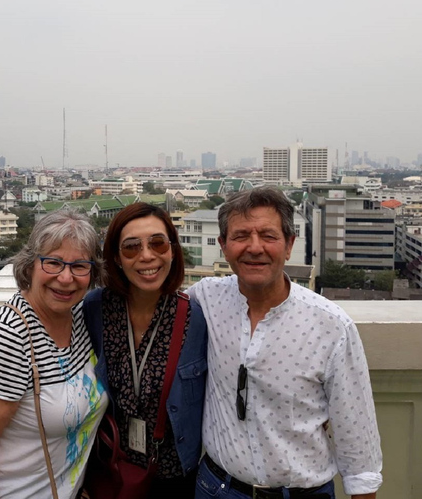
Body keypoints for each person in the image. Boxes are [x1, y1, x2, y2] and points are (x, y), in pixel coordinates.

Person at [188, 187, 382, 499]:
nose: (254, 247)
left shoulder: (330, 325)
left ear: (289, 244)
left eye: (268, 235)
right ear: (223, 246)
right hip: (217, 487)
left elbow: (356, 438)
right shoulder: (205, 298)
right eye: (240, 236)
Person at [0, 208, 109, 499]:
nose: (66, 278)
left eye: (79, 266)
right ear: (30, 266)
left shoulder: (80, 316)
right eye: (53, 263)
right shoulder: (6, 337)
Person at [83, 203, 208, 498]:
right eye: (131, 247)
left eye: (157, 243)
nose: (147, 256)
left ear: (173, 250)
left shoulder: (195, 317)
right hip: (111, 467)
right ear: (116, 257)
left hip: (175, 477)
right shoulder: (96, 309)